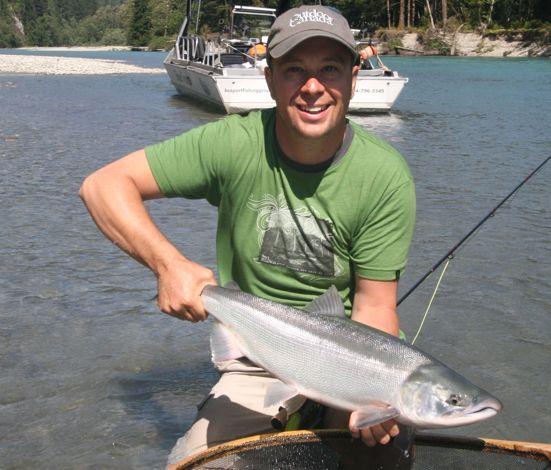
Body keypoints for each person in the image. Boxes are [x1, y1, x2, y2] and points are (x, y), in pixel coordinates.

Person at [80, 4, 415, 466]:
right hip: (257, 352)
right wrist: (169, 265)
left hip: (347, 350)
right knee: (196, 463)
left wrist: (370, 395)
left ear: (353, 77)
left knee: (382, 456)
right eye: (295, 69)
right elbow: (103, 186)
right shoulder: (232, 143)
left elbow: (375, 305)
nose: (313, 87)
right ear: (270, 78)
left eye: (330, 69)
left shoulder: (384, 174)